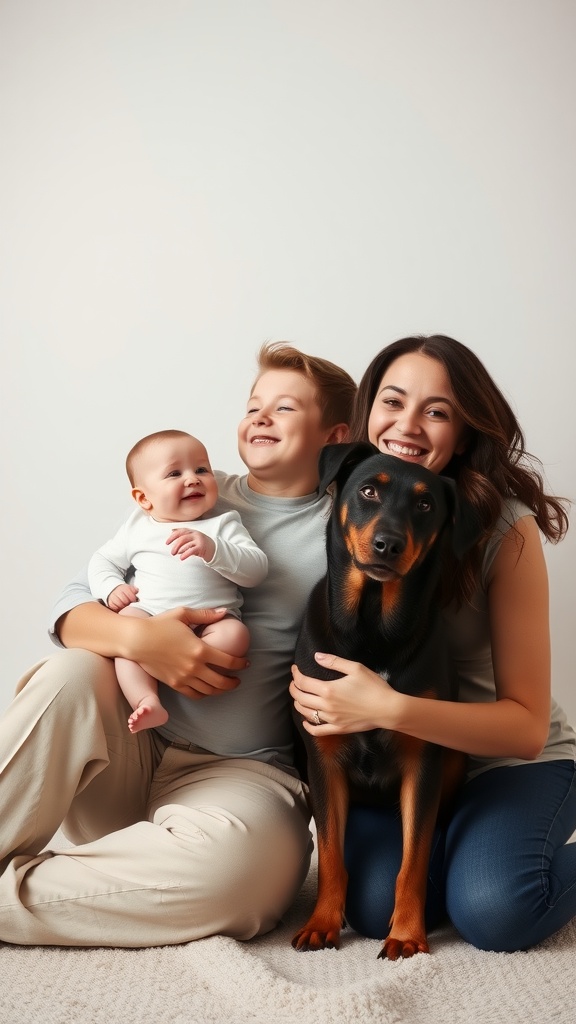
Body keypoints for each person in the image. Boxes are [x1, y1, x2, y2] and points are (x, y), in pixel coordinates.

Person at [0, 342, 356, 947]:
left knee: (245, 879)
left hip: (243, 772)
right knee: (69, 674)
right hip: (127, 747)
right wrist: (146, 639)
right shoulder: (194, 489)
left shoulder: (345, 526)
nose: (261, 417)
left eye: (286, 408)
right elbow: (71, 604)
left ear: (334, 436)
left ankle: (29, 897)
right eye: (253, 405)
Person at [290, 333, 576, 953]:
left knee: (498, 911)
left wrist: (387, 708)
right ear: (366, 413)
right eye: (393, 401)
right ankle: (466, 854)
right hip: (395, 766)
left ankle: (496, 857)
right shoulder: (347, 492)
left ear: (466, 430)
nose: (408, 425)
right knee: (370, 908)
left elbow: (526, 728)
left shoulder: (503, 530)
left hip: (505, 760)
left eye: (437, 411)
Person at [88, 429, 268, 733]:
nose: (193, 478)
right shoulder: (136, 527)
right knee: (127, 625)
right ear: (143, 498)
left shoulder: (223, 524)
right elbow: (102, 561)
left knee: (237, 635)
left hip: (212, 623)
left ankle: (189, 661)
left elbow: (256, 570)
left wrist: (214, 550)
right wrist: (110, 588)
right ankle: (146, 699)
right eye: (174, 473)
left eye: (201, 469)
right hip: (151, 619)